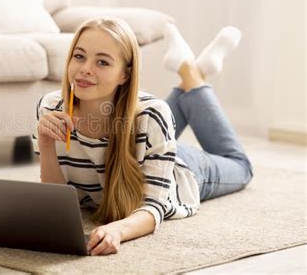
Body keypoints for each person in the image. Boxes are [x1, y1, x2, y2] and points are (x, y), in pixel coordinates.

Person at [31, 18, 253, 256]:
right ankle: (195, 69)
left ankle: (189, 70)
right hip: (145, 141)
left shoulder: (153, 115)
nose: (86, 68)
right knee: (148, 120)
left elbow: (153, 206)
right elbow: (57, 201)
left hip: (181, 169)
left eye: (102, 62)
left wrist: (117, 230)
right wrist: (45, 144)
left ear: (125, 75)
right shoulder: (51, 107)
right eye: (79, 56)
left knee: (241, 166)